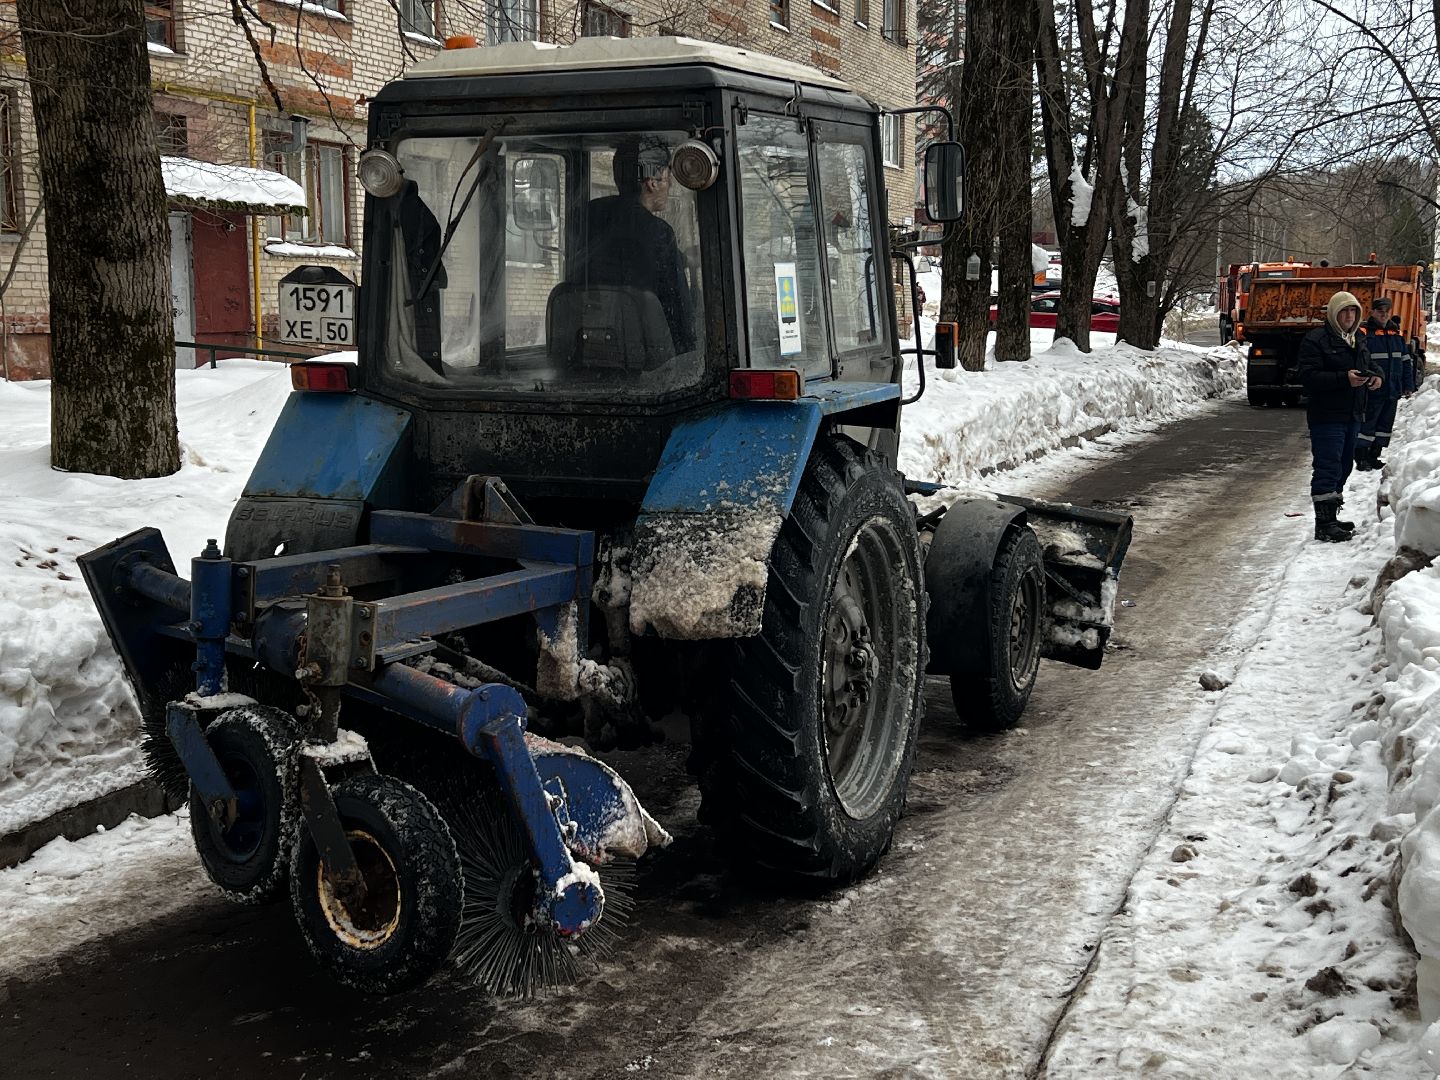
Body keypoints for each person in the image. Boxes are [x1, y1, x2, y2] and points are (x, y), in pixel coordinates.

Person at [573, 137, 696, 354]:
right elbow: (677, 306)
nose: (669, 187)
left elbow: (620, 255)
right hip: (642, 355)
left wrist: (683, 259)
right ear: (652, 182)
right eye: (668, 178)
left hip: (586, 348)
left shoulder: (587, 216)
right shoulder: (658, 232)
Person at [1296, 291, 1384, 542]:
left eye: (1353, 311)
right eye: (1344, 311)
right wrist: (1343, 378)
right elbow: (1308, 377)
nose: (1349, 316)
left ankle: (1332, 516)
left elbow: (1370, 365)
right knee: (1328, 466)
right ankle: (1323, 524)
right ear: (1334, 313)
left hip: (1353, 414)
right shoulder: (1316, 340)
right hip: (1327, 416)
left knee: (1344, 467)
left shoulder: (1357, 338)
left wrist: (1377, 377)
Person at [1354, 295, 1416, 471]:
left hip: (1392, 389)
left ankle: (1374, 455)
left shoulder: (1396, 336)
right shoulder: (1364, 334)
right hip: (1371, 389)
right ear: (1372, 312)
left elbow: (1406, 362)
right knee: (1368, 424)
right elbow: (1360, 360)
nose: (1383, 315)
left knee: (1384, 425)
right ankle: (1361, 457)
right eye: (1379, 311)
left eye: (1386, 312)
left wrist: (1408, 385)